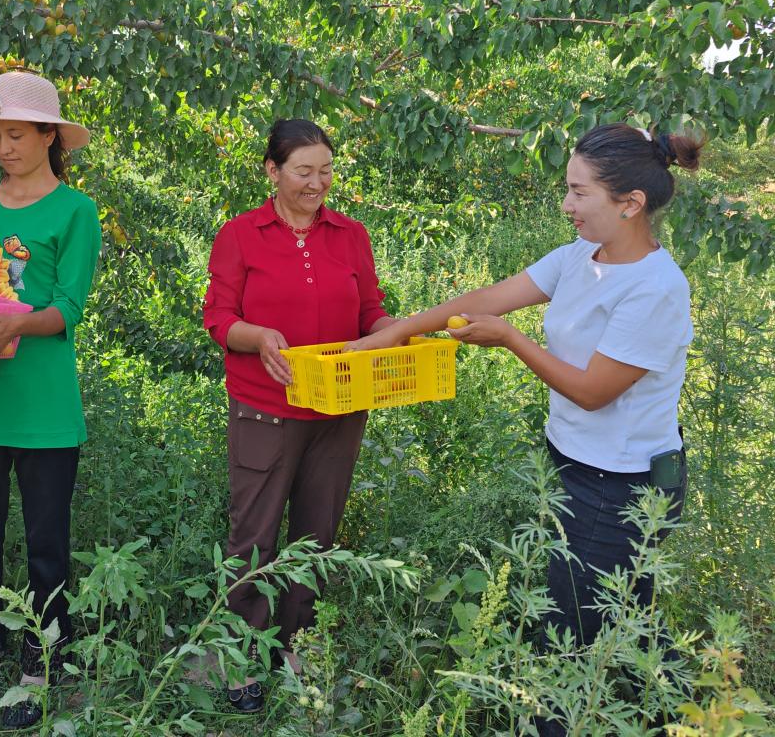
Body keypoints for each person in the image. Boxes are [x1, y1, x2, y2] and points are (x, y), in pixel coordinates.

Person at [349, 124, 701, 727]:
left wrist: (511, 340)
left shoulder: (656, 289)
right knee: (622, 619)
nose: (566, 205)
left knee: (568, 636)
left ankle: (568, 722)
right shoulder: (579, 259)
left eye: (579, 192)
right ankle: (682, 717)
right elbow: (488, 298)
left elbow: (592, 392)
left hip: (621, 486)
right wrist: (399, 330)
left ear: (630, 203)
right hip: (577, 466)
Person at [202, 118, 396, 713]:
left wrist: (396, 331)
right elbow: (219, 319)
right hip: (265, 410)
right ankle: (239, 652)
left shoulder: (351, 235)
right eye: (304, 171)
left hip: (339, 408)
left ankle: (296, 646)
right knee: (253, 536)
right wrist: (259, 336)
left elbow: (370, 311)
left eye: (326, 171)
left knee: (317, 535)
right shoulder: (240, 235)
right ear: (273, 171)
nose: (317, 183)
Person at [0, 71, 101, 730]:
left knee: (45, 542)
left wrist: (15, 326)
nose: (4, 148)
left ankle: (41, 663)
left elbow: (67, 306)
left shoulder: (75, 211)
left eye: (15, 135)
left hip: (44, 406)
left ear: (48, 136)